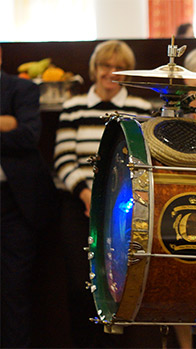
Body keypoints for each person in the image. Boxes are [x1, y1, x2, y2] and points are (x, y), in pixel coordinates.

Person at [53, 40, 153, 348]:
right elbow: (62, 160)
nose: (109, 72)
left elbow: (145, 164)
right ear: (94, 70)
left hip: (125, 213)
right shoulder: (73, 107)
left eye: (117, 67)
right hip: (78, 207)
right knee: (80, 286)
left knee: (122, 287)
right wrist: (87, 196)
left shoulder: (140, 111)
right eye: (103, 66)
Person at [0, 45, 57, 348]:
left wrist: (15, 126)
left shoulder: (22, 88)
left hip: (14, 206)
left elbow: (26, 136)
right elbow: (12, 130)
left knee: (14, 293)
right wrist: (4, 122)